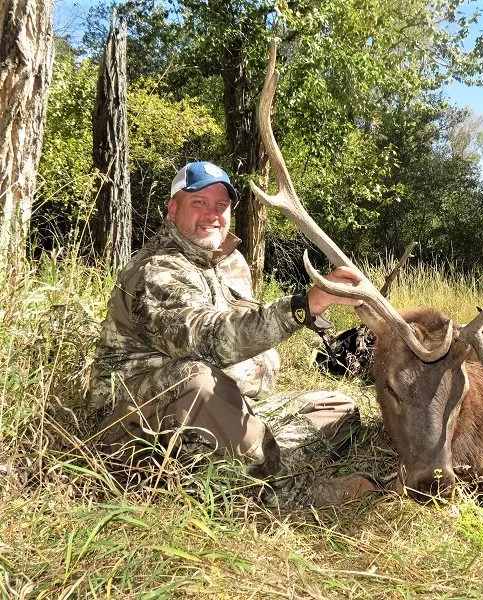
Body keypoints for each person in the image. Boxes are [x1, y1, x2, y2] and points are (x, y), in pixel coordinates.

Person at [89, 161, 377, 507]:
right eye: (199, 202)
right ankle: (284, 495)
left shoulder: (231, 263)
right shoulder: (157, 269)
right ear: (173, 208)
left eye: (221, 205)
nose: (212, 214)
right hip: (139, 425)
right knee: (195, 378)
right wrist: (303, 305)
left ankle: (245, 469)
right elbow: (207, 340)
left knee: (338, 406)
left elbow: (246, 331)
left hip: (231, 407)